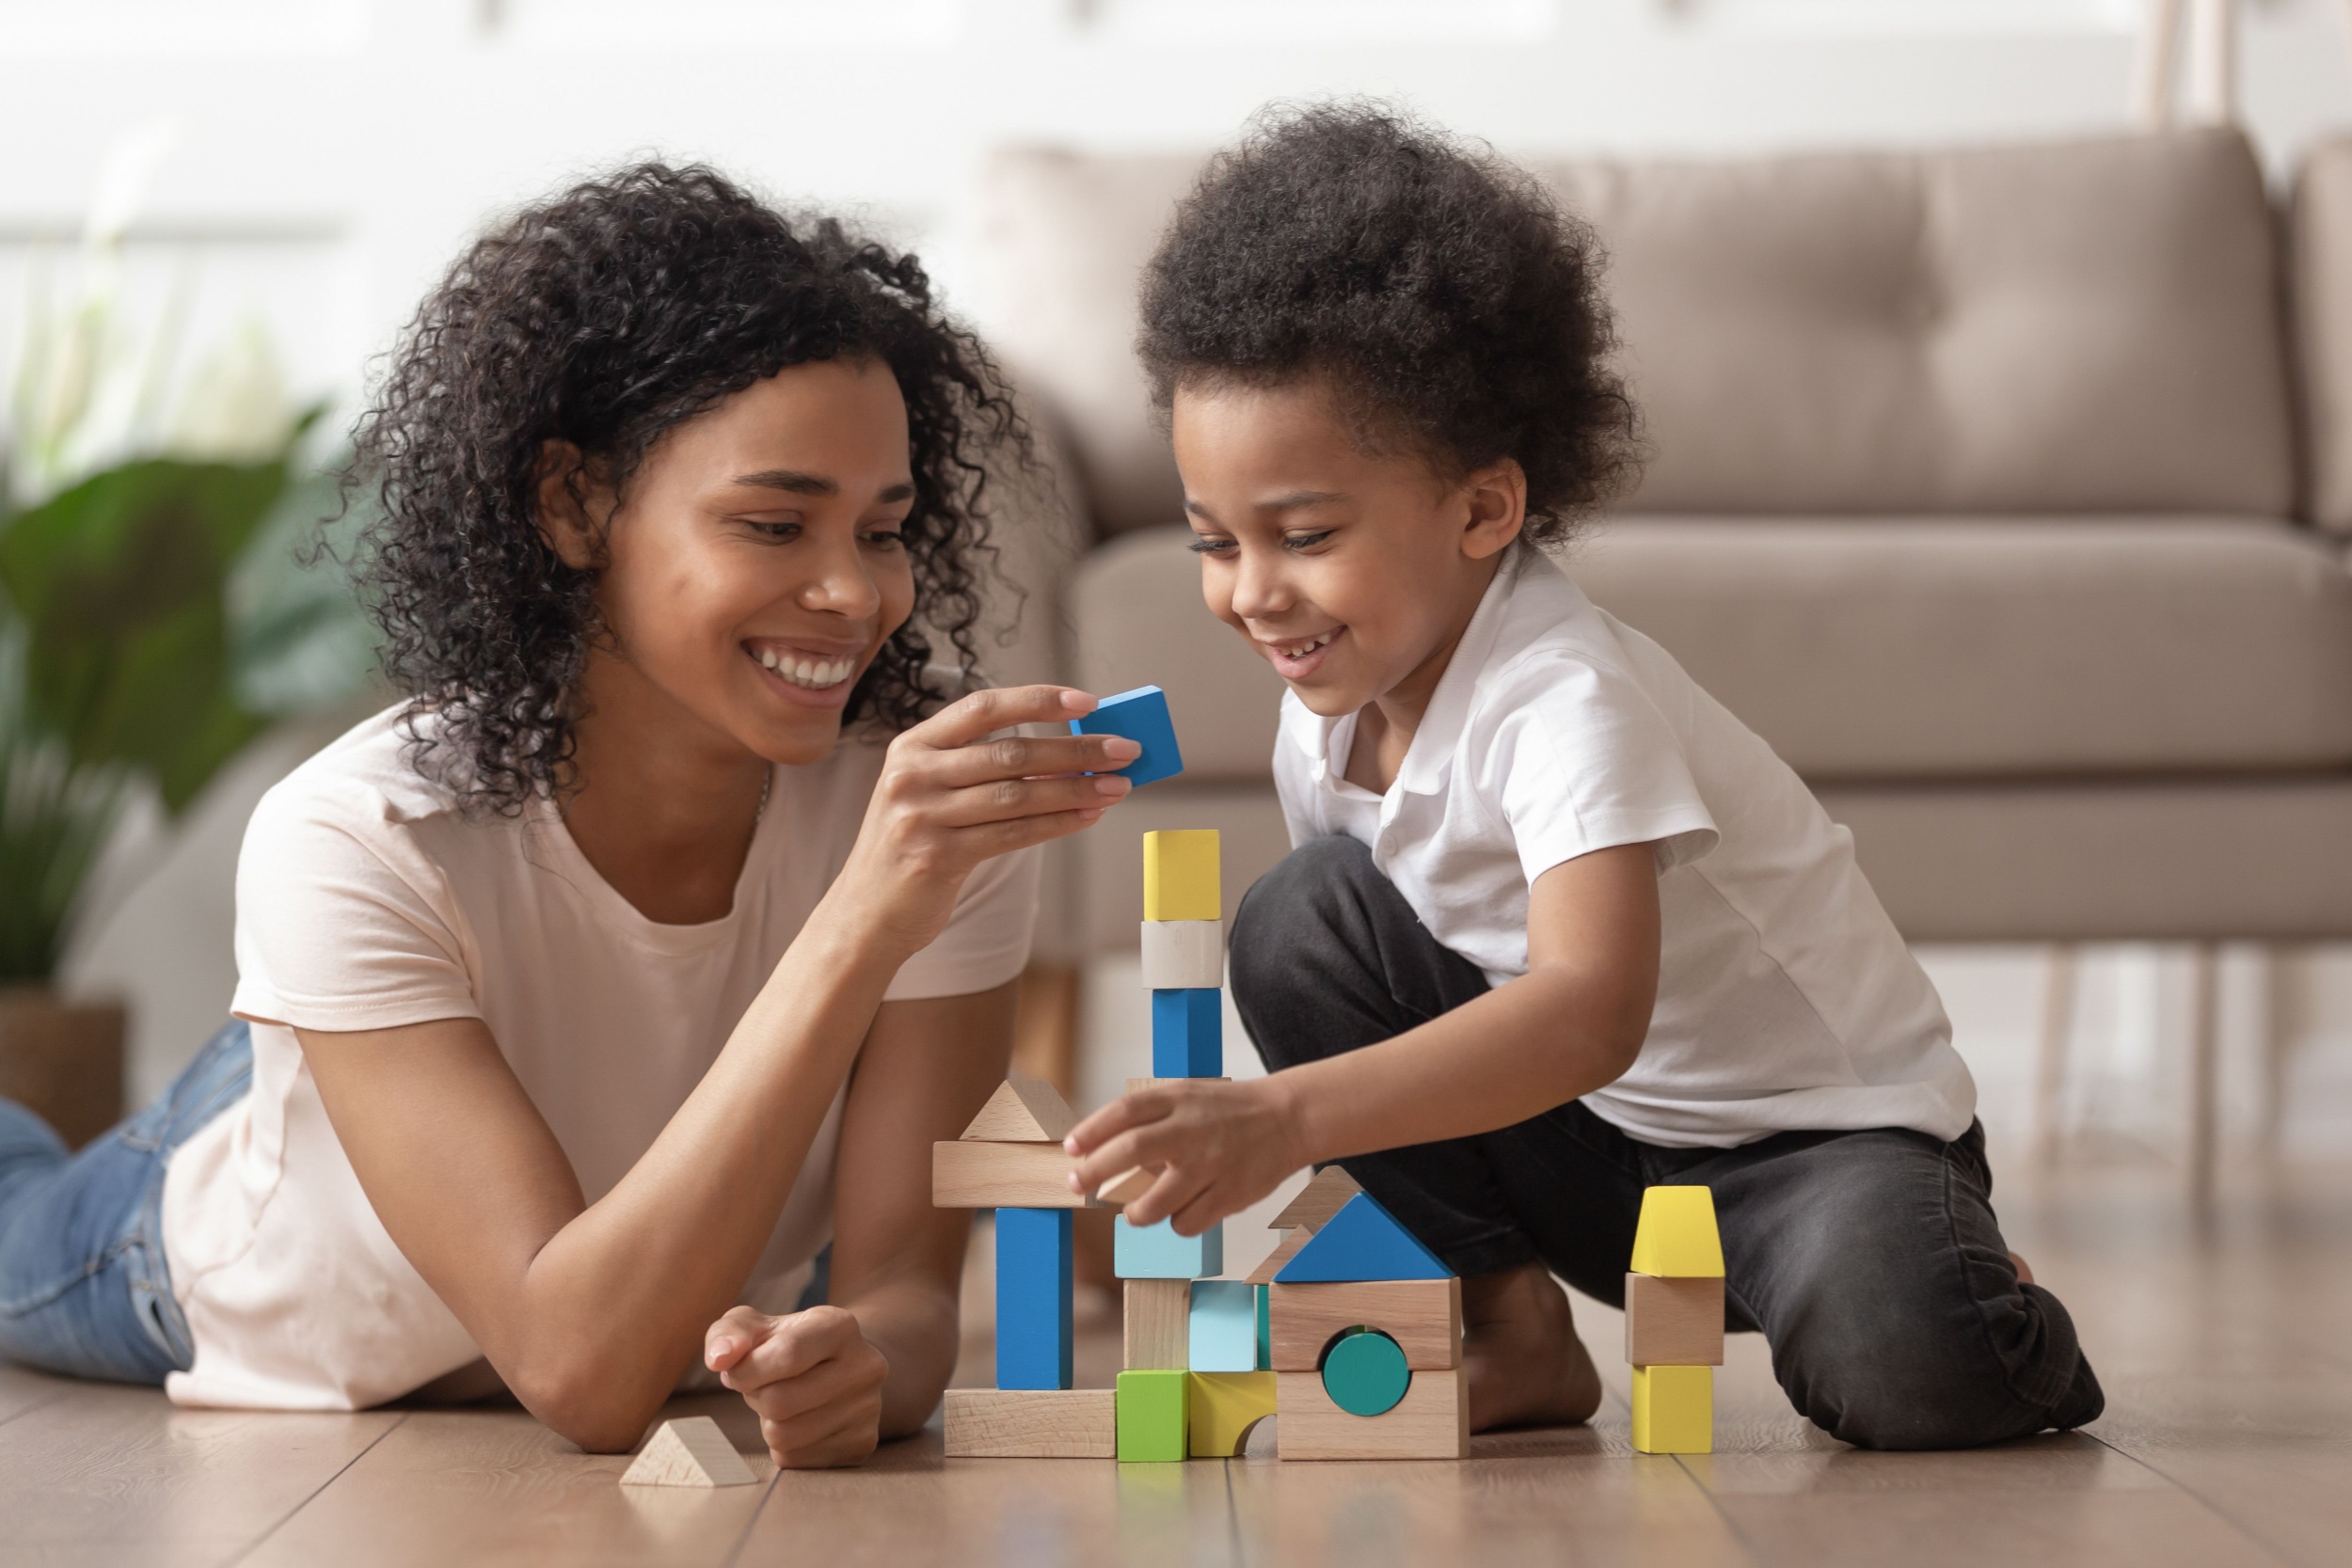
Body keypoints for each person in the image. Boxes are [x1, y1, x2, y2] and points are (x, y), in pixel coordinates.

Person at [0, 163, 1134, 1468]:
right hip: (246, 1244)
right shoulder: (359, 831)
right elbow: (585, 1375)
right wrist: (864, 920)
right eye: (773, 523)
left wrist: (867, 1364)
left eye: (884, 531)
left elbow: (909, 1293)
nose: (854, 593)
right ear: (572, 506)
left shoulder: (922, 797)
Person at [1064, 105, 2104, 1450]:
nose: (1254, 594)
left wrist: (1278, 1119)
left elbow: (1584, 1012)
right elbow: (1412, 1005)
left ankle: (1985, 1302)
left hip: (1808, 1156)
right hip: (1575, 1151)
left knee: (1905, 1365)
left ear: (1484, 511)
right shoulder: (1328, 708)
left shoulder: (1565, 699)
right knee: (1300, 918)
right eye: (1216, 542)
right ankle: (1513, 1333)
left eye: (1305, 535)